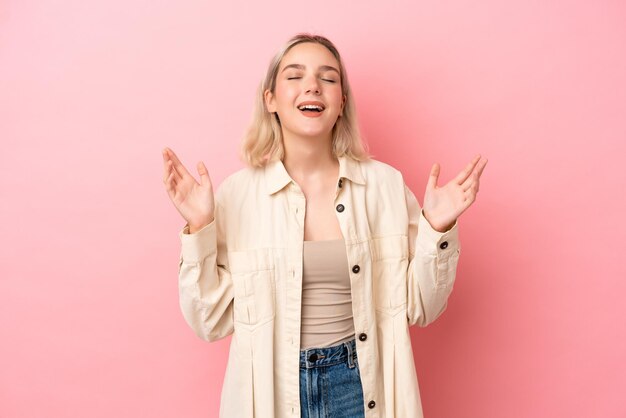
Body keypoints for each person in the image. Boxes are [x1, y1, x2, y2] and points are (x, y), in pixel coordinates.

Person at [162, 33, 487, 418]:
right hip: (272, 394)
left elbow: (422, 308)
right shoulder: (235, 197)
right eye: (295, 76)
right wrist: (199, 228)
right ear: (270, 99)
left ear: (341, 103)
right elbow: (208, 321)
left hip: (359, 386)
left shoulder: (384, 186)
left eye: (328, 78)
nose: (312, 86)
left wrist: (437, 228)